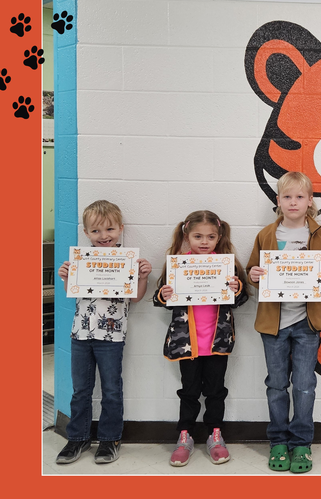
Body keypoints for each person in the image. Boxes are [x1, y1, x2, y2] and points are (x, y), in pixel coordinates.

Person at [246, 171, 321, 474]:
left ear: (310, 201)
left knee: (304, 384)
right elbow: (251, 271)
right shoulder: (266, 235)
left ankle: (301, 442)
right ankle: (277, 441)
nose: (293, 202)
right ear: (278, 201)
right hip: (274, 324)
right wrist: (254, 276)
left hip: (307, 323)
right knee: (275, 384)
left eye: (300, 196)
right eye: (287, 196)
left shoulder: (320, 234)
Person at [55, 200, 151, 465]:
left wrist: (142, 277)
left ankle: (110, 438)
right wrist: (66, 276)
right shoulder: (81, 260)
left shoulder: (127, 260)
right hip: (80, 335)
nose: (103, 236)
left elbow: (136, 299)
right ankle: (78, 437)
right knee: (80, 390)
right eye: (96, 231)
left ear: (120, 229)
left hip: (112, 337)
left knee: (111, 389)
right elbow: (71, 292)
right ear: (86, 233)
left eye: (109, 229)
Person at [152, 210, 249, 467]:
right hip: (188, 343)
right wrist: (165, 293)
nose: (204, 242)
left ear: (219, 237)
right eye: (198, 236)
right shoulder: (177, 264)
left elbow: (241, 300)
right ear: (187, 235)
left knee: (216, 392)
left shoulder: (227, 266)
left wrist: (236, 289)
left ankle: (215, 435)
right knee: (189, 392)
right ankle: (185, 436)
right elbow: (158, 299)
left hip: (218, 342)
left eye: (210, 236)